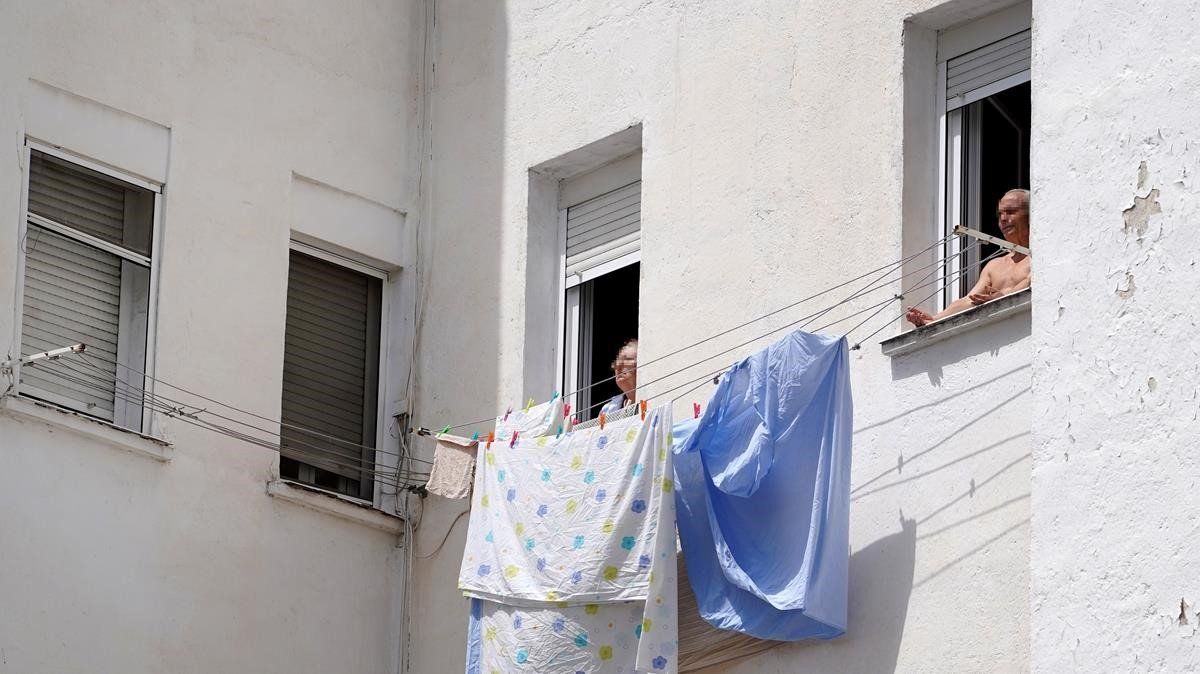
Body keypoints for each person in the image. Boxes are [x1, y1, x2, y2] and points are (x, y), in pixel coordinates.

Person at [906, 189, 1032, 328]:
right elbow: (969, 300)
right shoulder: (994, 265)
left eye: (1011, 212)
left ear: (1031, 215)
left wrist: (1003, 296)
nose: (1003, 219)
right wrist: (933, 319)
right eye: (1000, 214)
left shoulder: (1040, 257)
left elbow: (1029, 283)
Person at [599, 338, 637, 415]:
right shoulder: (606, 411)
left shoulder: (653, 402)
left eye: (627, 359)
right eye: (617, 361)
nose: (618, 366)